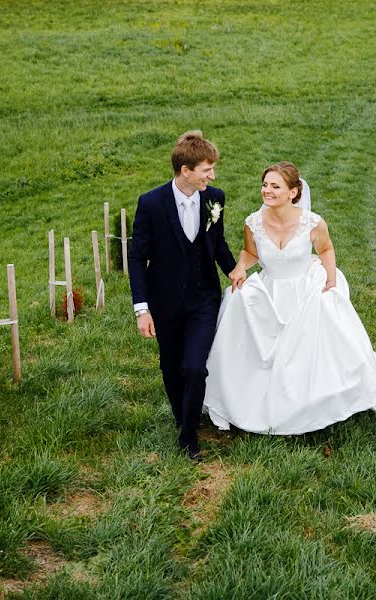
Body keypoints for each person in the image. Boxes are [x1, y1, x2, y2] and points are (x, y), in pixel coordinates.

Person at [203, 161, 376, 434]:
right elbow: (251, 254)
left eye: (275, 186)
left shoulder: (313, 222)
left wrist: (330, 275)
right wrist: (239, 268)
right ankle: (254, 399)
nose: (267, 191)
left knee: (310, 344)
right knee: (241, 304)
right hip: (270, 291)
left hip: (304, 287)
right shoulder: (253, 222)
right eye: (265, 185)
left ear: (293, 192)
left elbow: (326, 249)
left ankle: (317, 400)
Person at [128, 131, 238, 460]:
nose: (213, 176)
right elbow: (136, 257)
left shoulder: (214, 198)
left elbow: (217, 244)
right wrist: (142, 309)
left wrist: (235, 273)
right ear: (186, 171)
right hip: (165, 301)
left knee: (195, 368)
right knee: (171, 367)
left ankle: (189, 437)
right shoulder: (151, 203)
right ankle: (182, 419)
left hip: (204, 298)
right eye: (207, 170)